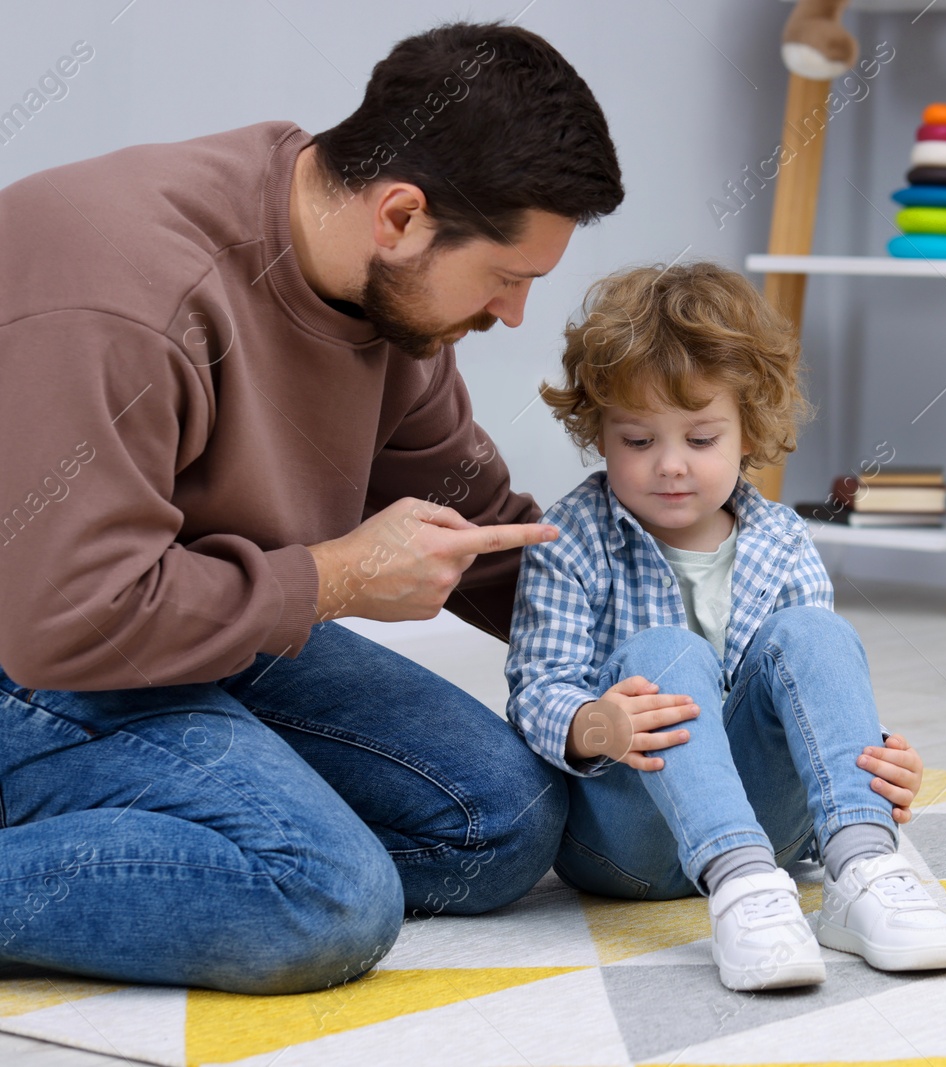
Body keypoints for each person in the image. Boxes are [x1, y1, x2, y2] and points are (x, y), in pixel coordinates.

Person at [0, 21, 623, 993]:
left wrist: (698, 653)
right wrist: (336, 578)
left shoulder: (389, 304)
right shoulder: (130, 296)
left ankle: (165, 838)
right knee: (328, 895)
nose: (513, 316)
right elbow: (67, 618)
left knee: (503, 820)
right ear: (401, 217)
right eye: (509, 278)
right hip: (38, 647)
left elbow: (487, 530)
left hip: (197, 625)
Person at [507, 261, 946, 991]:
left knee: (816, 635)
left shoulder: (782, 540)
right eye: (637, 440)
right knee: (666, 650)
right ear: (599, 432)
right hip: (625, 838)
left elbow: (808, 704)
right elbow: (536, 693)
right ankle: (741, 888)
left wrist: (874, 768)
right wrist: (596, 722)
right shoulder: (568, 537)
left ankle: (865, 867)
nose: (669, 466)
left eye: (700, 439)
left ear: (748, 429)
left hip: (774, 832)